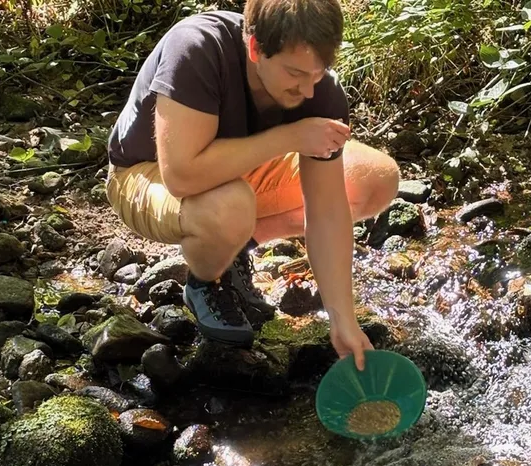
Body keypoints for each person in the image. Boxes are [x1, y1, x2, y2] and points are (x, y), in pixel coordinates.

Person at [105, 0, 399, 371]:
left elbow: (326, 210)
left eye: (318, 73)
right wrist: (290, 137)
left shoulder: (317, 88)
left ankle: (233, 249)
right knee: (231, 207)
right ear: (256, 47)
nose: (308, 91)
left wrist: (343, 319)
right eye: (295, 73)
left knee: (376, 179)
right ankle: (206, 281)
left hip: (238, 172)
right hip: (144, 174)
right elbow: (181, 175)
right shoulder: (198, 47)